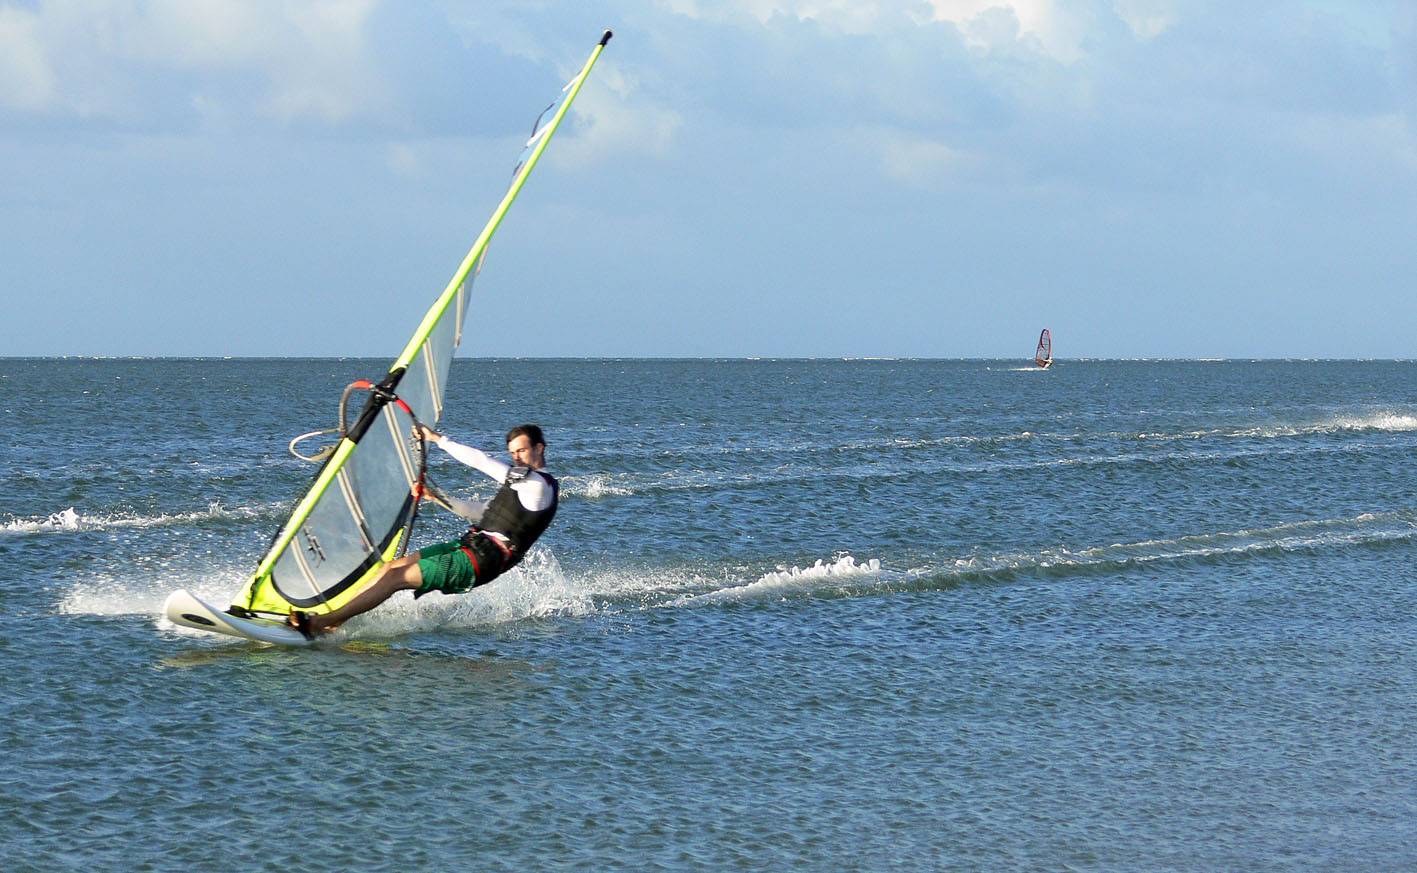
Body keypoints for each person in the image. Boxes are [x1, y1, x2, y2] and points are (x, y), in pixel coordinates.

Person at [289, 423, 559, 638]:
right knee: (390, 567)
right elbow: (479, 513)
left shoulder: (538, 486)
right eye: (512, 453)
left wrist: (438, 439)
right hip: (471, 545)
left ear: (540, 448)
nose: (516, 458)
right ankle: (336, 617)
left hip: (482, 561)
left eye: (522, 451)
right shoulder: (521, 485)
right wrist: (436, 497)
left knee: (395, 578)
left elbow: (482, 461)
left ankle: (320, 623)